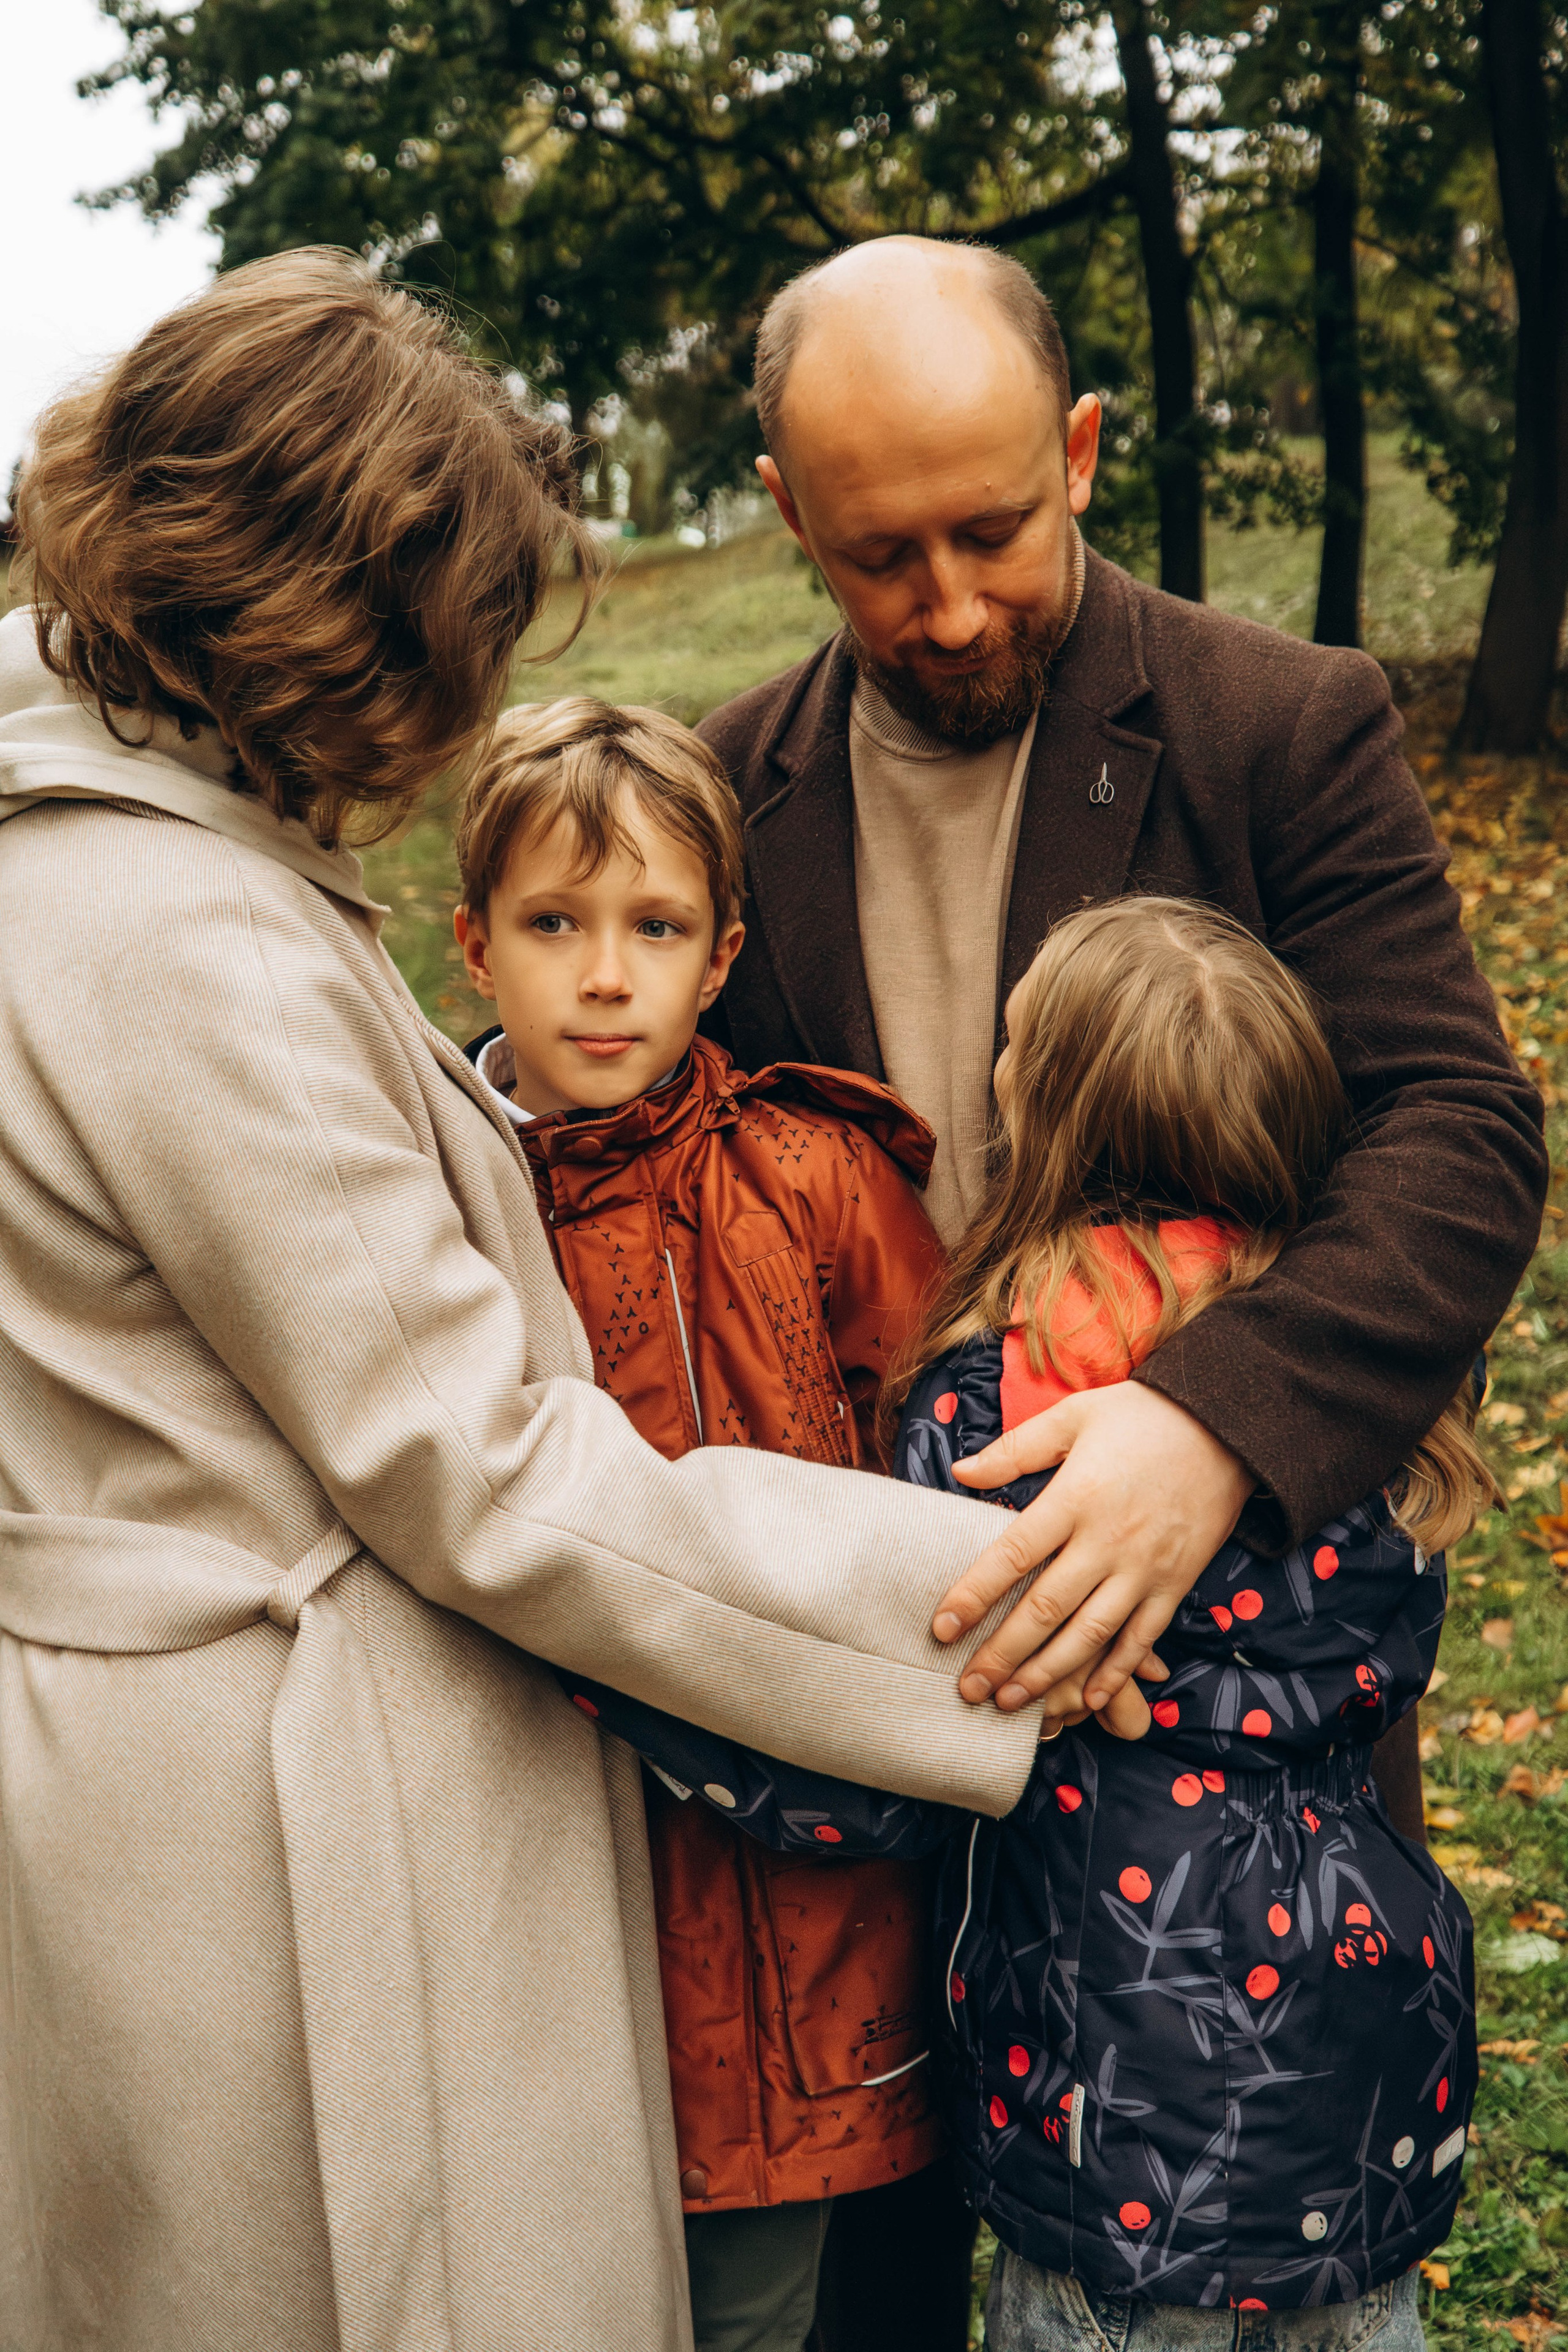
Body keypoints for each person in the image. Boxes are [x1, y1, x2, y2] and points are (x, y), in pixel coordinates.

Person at [0, 249, 1118, 2352]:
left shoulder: (89, 842)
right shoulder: (177, 935)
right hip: (268, 1828)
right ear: (352, 622)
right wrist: (983, 1607)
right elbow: (480, 1459)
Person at [565, 897, 1488, 2343]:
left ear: (1051, 1119)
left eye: (1010, 1048)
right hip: (1364, 2058)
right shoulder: (1355, 1403)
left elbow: (886, 1748)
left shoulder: (994, 1424)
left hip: (1111, 2102)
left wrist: (635, 1677)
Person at [698, 235, 1545, 1793]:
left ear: (1077, 454)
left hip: (1234, 1774)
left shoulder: (1278, 727)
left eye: (992, 531)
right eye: (880, 555)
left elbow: (1458, 1132)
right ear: (787, 509)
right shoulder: (721, 795)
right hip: (879, 1729)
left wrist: (1208, 1426)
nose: (950, 610)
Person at [450, 694, 967, 2352]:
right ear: (473, 945)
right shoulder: (424, 1191)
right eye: (554, 924)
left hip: (791, 1894)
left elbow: (947, 1466)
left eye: (654, 928)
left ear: (721, 950)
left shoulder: (813, 1179)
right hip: (528, 1854)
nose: (605, 976)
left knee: (760, 2301)